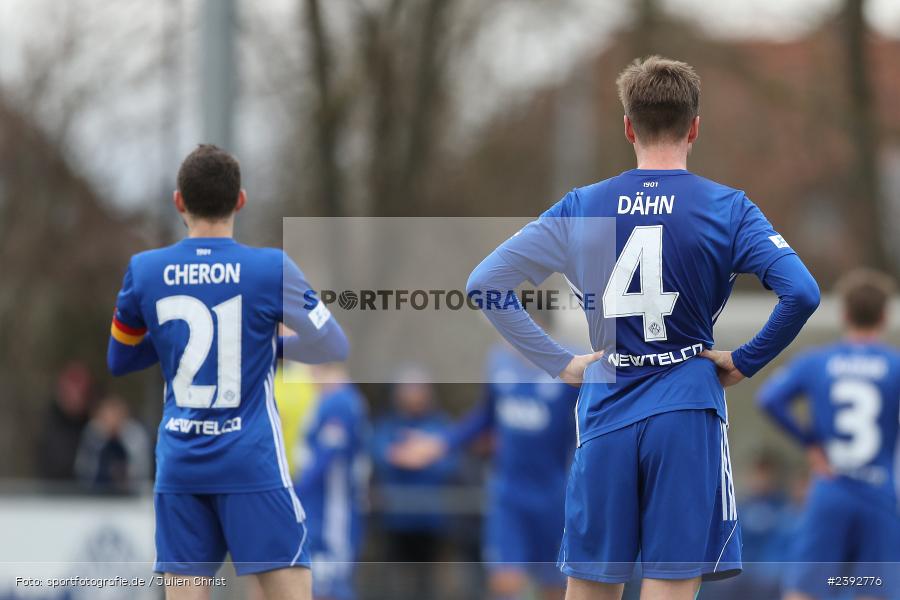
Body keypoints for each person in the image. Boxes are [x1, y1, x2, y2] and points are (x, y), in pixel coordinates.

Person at [465, 56, 820, 600]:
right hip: (686, 400)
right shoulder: (730, 208)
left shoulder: (582, 205)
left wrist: (558, 362)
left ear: (628, 126)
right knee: (671, 585)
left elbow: (485, 283)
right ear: (695, 127)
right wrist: (745, 359)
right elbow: (802, 292)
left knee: (589, 585)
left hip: (607, 400)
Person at [107, 144, 348, 600]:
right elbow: (332, 343)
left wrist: (171, 342)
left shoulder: (145, 271)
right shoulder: (270, 268)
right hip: (251, 462)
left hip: (181, 464)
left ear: (179, 201)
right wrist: (269, 346)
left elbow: (119, 360)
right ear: (241, 200)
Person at [390, 341, 578, 600]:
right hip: (509, 495)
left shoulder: (569, 369)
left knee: (555, 587)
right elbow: (485, 417)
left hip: (553, 498)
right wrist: (439, 444)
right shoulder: (500, 364)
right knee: (505, 581)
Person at [757, 269, 900, 600]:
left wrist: (810, 442)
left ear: (844, 314)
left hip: (831, 489)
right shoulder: (894, 366)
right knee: (873, 591)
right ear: (883, 316)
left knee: (805, 590)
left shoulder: (817, 362)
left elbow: (769, 398)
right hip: (879, 492)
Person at [370, 375, 459, 600]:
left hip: (430, 519)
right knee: (395, 582)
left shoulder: (438, 423)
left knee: (427, 582)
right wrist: (407, 456)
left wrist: (423, 457)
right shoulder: (389, 423)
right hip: (395, 517)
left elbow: (448, 462)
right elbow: (381, 455)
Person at [295, 363, 368, 600]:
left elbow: (327, 455)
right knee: (318, 581)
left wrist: (295, 491)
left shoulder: (340, 401)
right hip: (321, 506)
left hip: (333, 509)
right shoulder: (332, 399)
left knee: (331, 582)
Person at [74, 393, 152, 493]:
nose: (112, 420)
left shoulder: (135, 435)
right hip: (95, 496)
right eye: (107, 415)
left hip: (131, 498)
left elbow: (141, 473)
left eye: (116, 415)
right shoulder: (93, 433)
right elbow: (84, 470)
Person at [35, 362, 93, 481]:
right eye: (71, 392)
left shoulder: (94, 427)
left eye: (80, 393)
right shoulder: (49, 425)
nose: (76, 397)